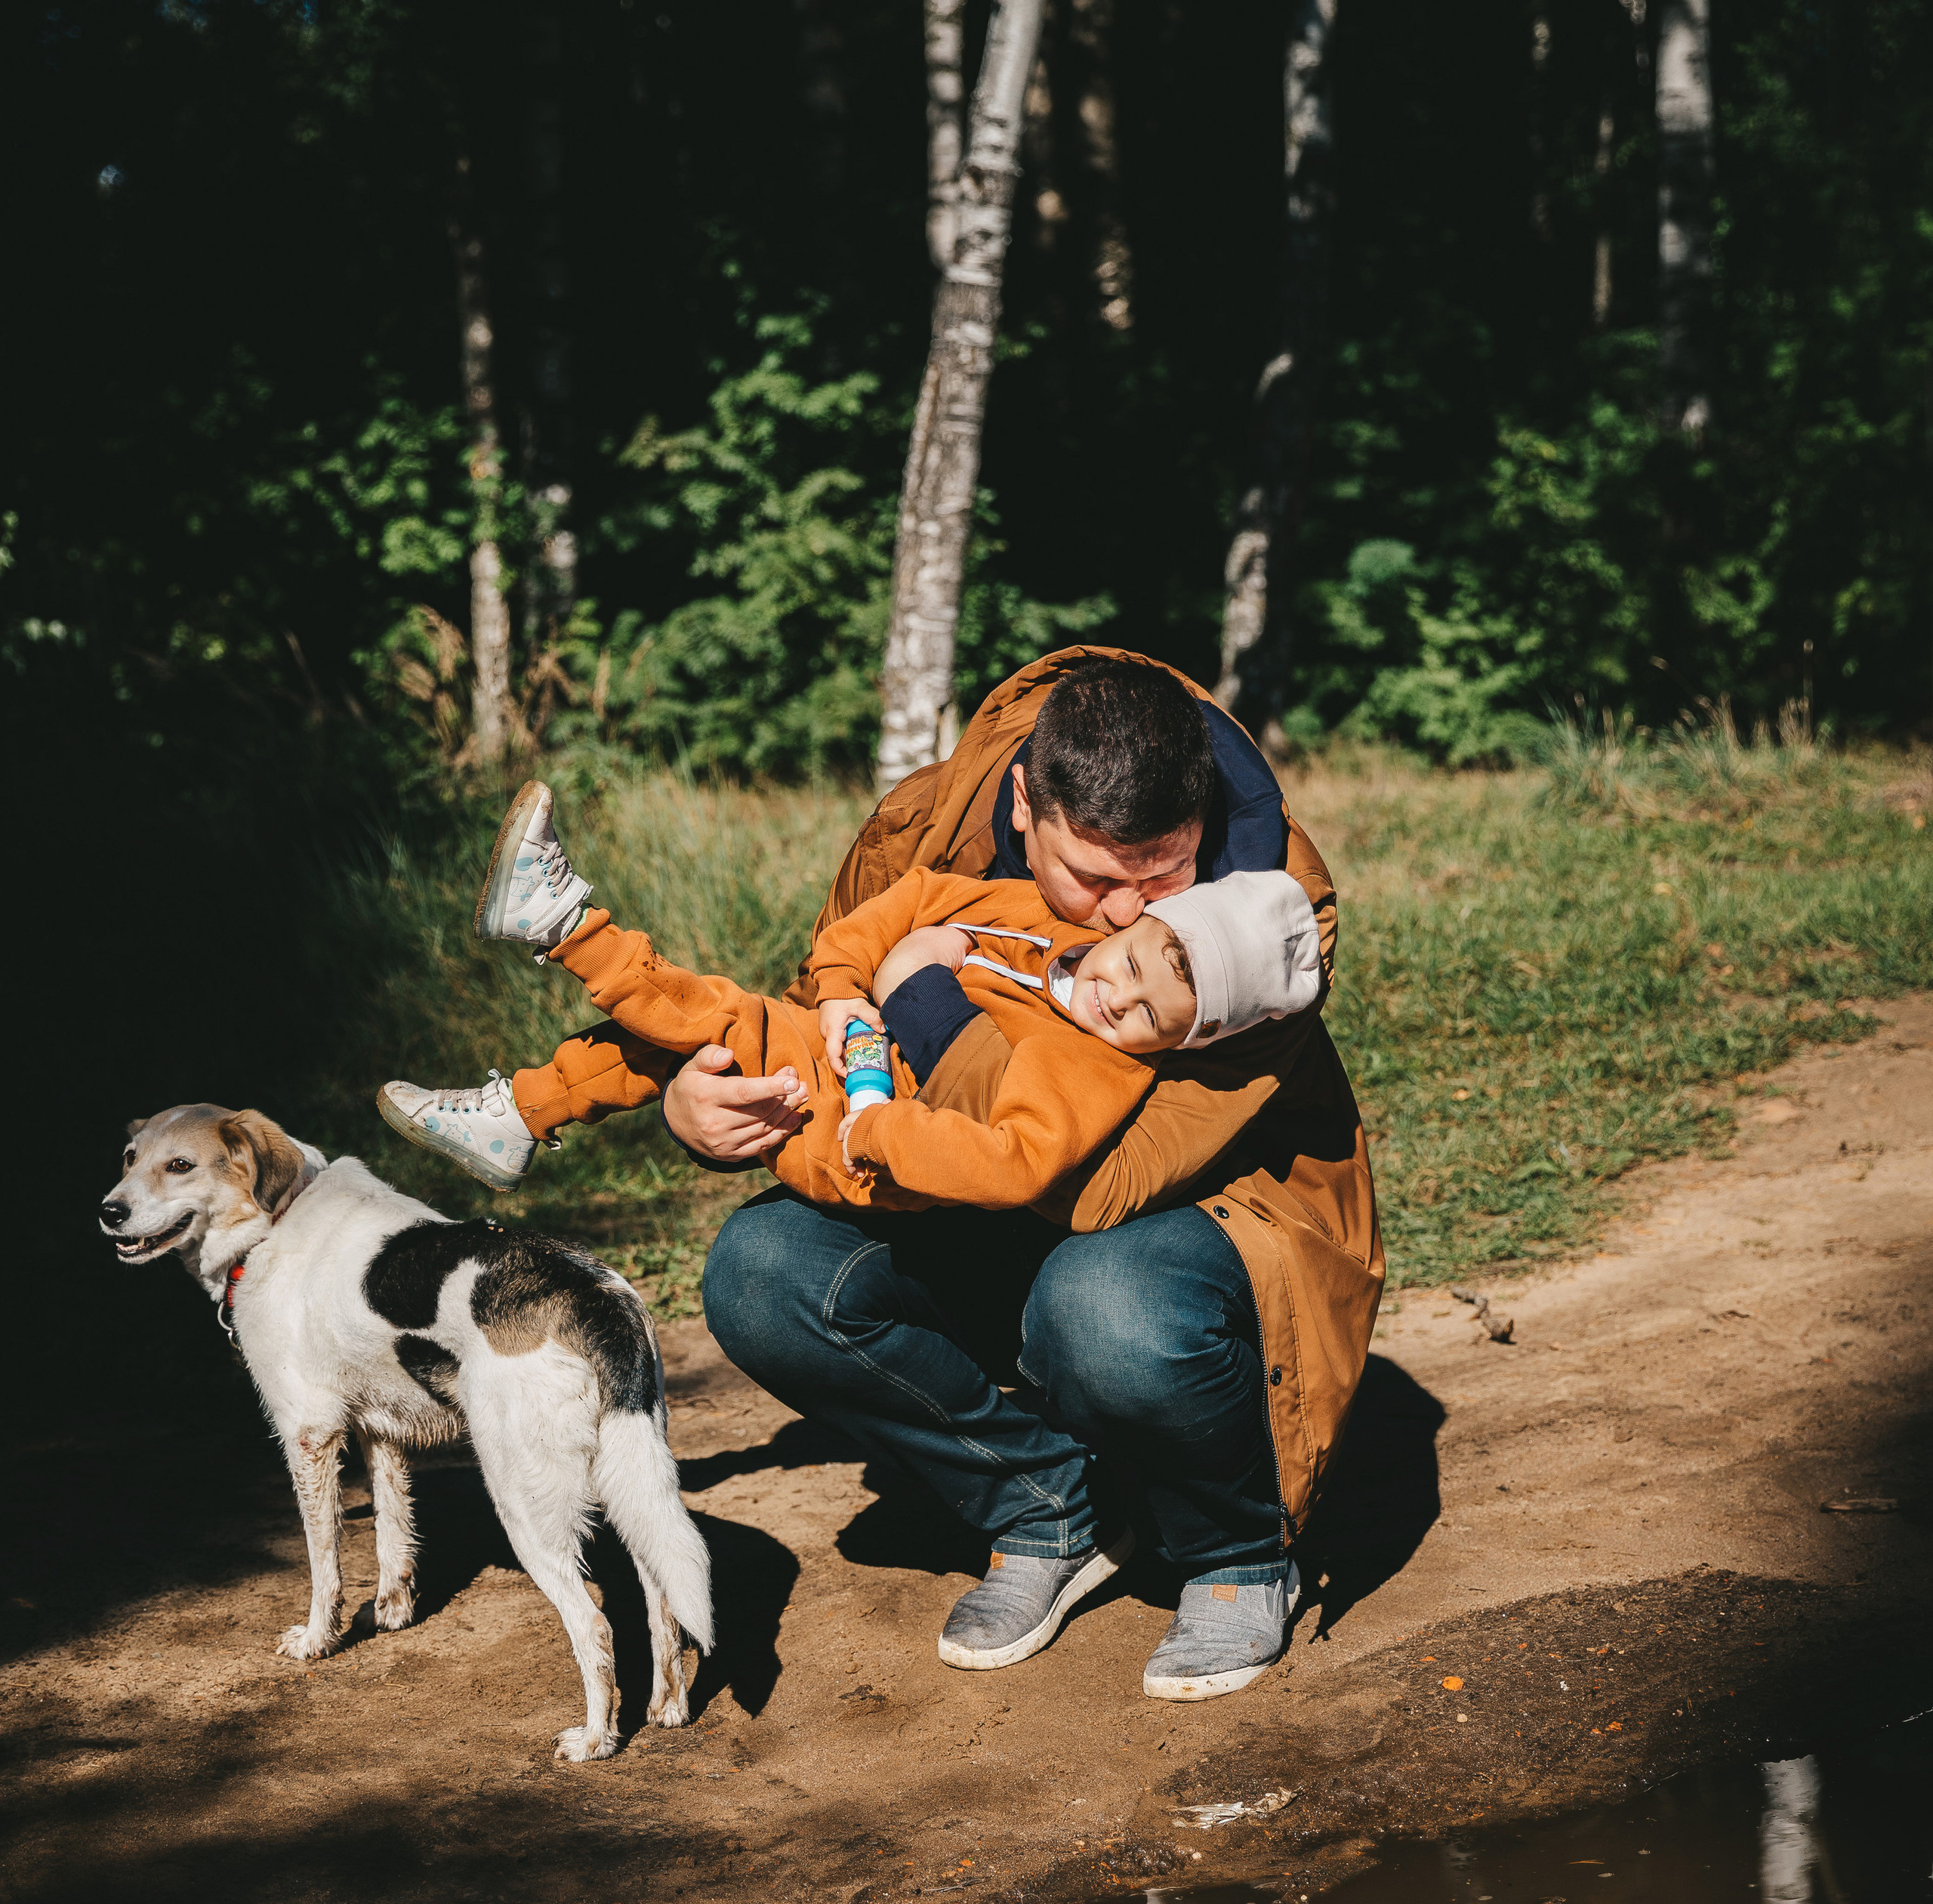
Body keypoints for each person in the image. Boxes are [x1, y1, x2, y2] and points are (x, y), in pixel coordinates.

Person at [404, 649, 1380, 1702]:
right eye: (1094, 878)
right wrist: (703, 1103)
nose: (1120, 920)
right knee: (765, 1270)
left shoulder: (1260, 920)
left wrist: (920, 1003)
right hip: (939, 1153)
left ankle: (1234, 1555)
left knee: (1095, 1299)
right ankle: (1046, 1505)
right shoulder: (930, 825)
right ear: (1024, 800)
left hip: (1196, 1208)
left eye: (1158, 880)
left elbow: (1098, 1184)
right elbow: (823, 1006)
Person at [379, 805, 1320, 1217]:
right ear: (1148, 919)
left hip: (852, 1145)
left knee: (713, 1016)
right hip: (848, 1051)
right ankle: (521, 1114)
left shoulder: (1094, 1068)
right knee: (686, 1038)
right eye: (1142, 959)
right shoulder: (1026, 913)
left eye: (1151, 1014)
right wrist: (840, 993)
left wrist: (876, 1128)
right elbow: (906, 903)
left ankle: (566, 926)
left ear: (1177, 1044)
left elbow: (1012, 1166)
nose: (1120, 993)